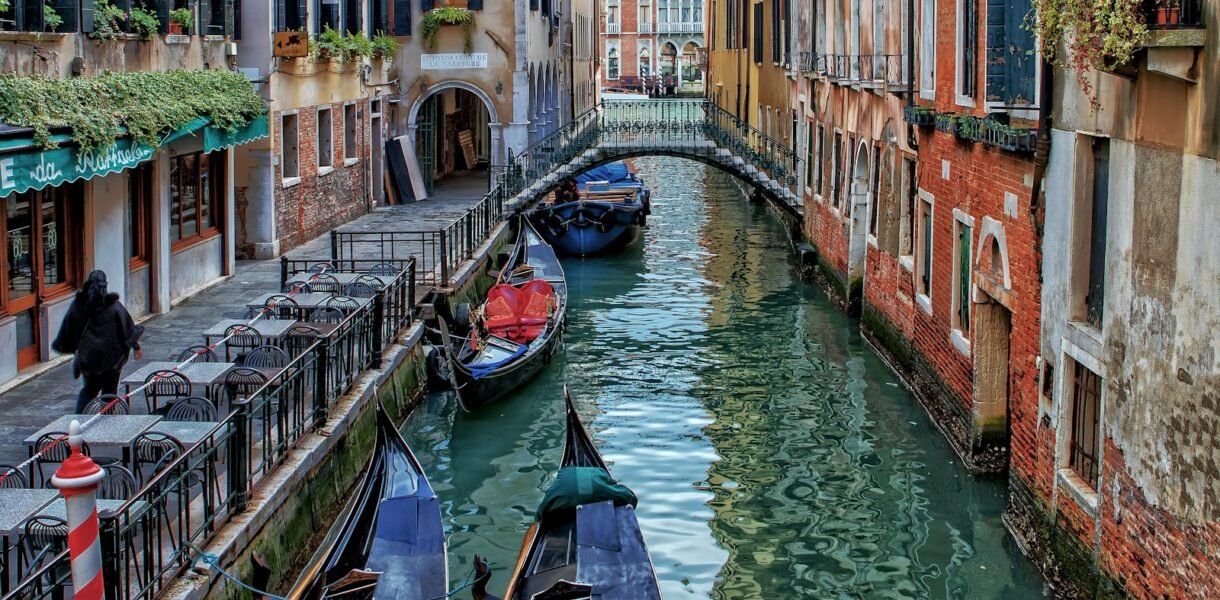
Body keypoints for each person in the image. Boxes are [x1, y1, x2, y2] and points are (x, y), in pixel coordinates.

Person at [52, 271, 144, 413]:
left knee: (89, 390)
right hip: (112, 360)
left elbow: (68, 328)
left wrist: (71, 348)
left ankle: (80, 421)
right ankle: (106, 423)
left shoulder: (78, 306)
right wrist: (136, 347)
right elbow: (127, 330)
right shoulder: (114, 307)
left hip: (88, 359)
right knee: (109, 392)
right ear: (105, 285)